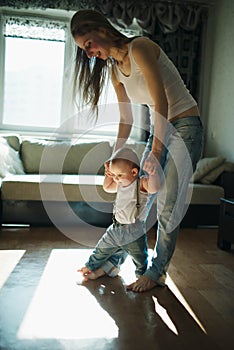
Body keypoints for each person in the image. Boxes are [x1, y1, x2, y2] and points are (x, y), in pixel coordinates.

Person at [71, 9, 204, 292]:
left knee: (167, 205)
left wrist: (155, 151)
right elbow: (126, 118)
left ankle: (156, 272)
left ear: (101, 30)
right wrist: (114, 157)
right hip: (159, 130)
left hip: (185, 127)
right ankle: (111, 262)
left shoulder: (140, 47)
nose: (90, 53)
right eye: (85, 50)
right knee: (137, 200)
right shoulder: (114, 70)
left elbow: (161, 101)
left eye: (89, 45)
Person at [78, 147, 160, 280]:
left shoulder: (141, 183)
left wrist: (153, 174)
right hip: (115, 228)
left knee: (140, 258)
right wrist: (108, 174)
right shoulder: (121, 183)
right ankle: (90, 267)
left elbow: (155, 187)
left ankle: (141, 277)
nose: (116, 179)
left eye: (119, 175)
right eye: (114, 175)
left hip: (133, 231)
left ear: (133, 172)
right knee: (101, 249)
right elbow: (107, 187)